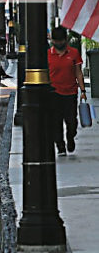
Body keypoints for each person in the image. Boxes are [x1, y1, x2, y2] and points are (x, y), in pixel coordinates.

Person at [48, 26, 87, 156]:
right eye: (56, 41)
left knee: (72, 121)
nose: (59, 44)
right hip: (54, 93)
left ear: (66, 40)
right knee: (55, 121)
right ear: (52, 40)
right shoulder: (48, 55)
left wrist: (83, 90)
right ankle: (60, 145)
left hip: (70, 92)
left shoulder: (74, 53)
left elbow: (78, 73)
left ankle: (70, 137)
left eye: (61, 41)